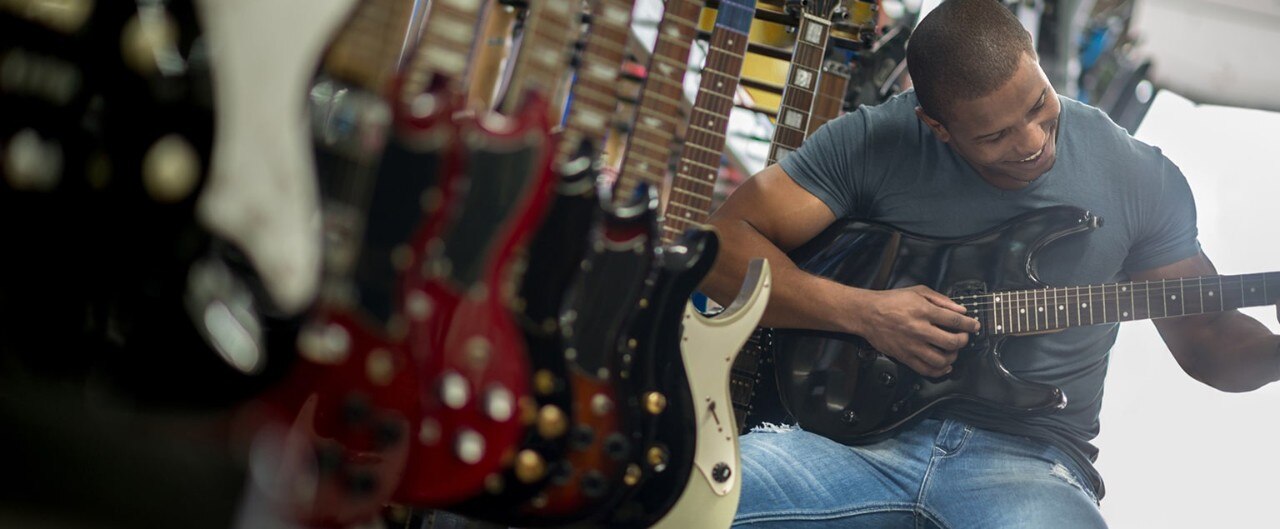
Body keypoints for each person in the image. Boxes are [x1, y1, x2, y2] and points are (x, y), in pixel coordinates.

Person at [701, 0, 1280, 527]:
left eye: (1039, 105)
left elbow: (1209, 341)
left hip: (1029, 462)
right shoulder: (877, 140)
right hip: (847, 445)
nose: (1032, 142)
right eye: (996, 134)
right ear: (937, 127)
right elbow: (719, 245)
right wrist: (864, 313)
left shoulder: (1138, 176)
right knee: (686, 499)